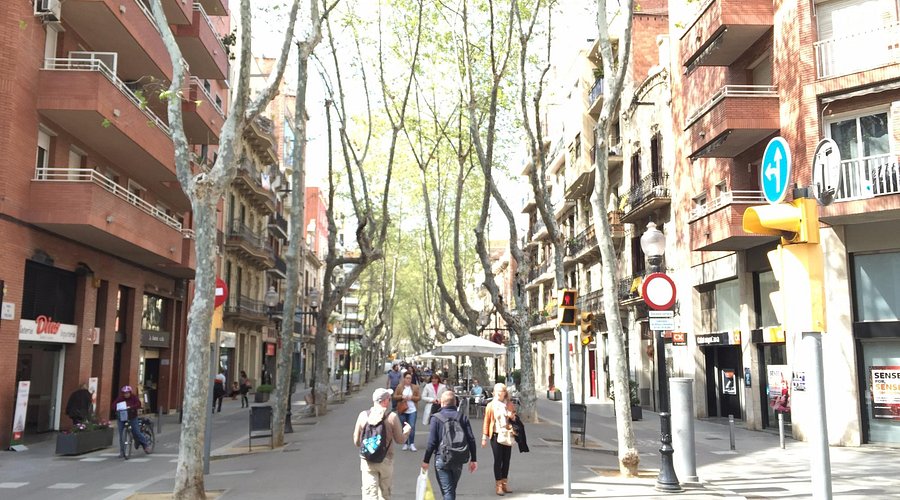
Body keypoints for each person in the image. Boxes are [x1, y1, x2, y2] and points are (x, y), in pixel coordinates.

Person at [353, 388, 411, 499]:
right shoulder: (392, 417)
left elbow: (356, 441)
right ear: (384, 401)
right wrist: (407, 432)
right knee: (385, 494)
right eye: (389, 399)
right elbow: (400, 440)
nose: (389, 401)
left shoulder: (363, 416)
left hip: (367, 460)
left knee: (370, 494)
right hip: (386, 459)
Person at [422, 391, 478, 500]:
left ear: (442, 403)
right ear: (455, 402)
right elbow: (471, 439)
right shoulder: (462, 417)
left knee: (448, 491)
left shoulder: (436, 418)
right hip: (459, 457)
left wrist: (426, 460)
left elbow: (432, 442)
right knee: (451, 489)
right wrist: (473, 459)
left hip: (442, 457)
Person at [482, 383, 516, 495]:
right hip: (496, 435)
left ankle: (505, 483)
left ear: (505, 393)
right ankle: (498, 485)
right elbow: (487, 421)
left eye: (500, 391)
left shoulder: (509, 404)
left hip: (507, 434)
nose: (498, 393)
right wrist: (484, 437)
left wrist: (512, 416)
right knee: (498, 460)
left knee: (506, 460)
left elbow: (515, 419)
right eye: (496, 391)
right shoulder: (491, 405)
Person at [112, 385, 150, 457]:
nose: (126, 394)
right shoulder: (120, 398)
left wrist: (132, 407)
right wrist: (116, 408)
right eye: (124, 393)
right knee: (121, 435)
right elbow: (114, 404)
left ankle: (145, 445)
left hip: (132, 416)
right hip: (122, 417)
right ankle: (122, 452)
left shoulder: (134, 397)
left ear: (130, 393)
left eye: (127, 393)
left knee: (136, 431)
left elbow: (138, 404)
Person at [392, 372, 421, 451]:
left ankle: (411, 443)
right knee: (404, 427)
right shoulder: (400, 387)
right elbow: (394, 396)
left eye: (410, 378)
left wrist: (411, 398)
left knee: (412, 426)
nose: (409, 380)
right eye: (407, 378)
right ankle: (405, 443)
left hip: (412, 410)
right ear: (404, 379)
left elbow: (419, 397)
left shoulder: (415, 387)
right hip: (402, 410)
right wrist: (402, 396)